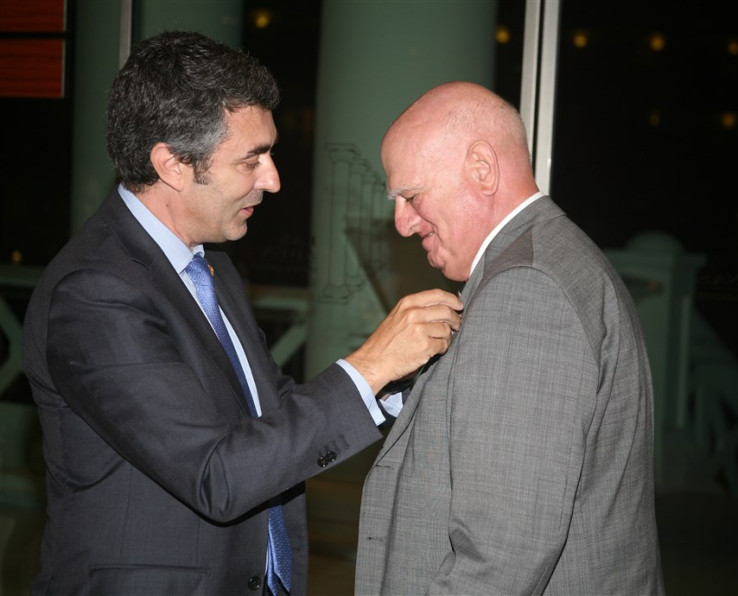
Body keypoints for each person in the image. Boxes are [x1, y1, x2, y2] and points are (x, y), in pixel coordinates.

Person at [21, 31, 462, 596]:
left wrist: (393, 381)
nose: (273, 179)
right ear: (173, 165)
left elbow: (265, 410)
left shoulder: (210, 264)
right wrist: (369, 366)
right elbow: (217, 475)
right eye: (251, 159)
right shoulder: (93, 293)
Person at [355, 81, 665, 595]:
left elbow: (500, 559)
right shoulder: (552, 258)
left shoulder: (525, 291)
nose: (402, 224)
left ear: (482, 168)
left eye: (410, 196)